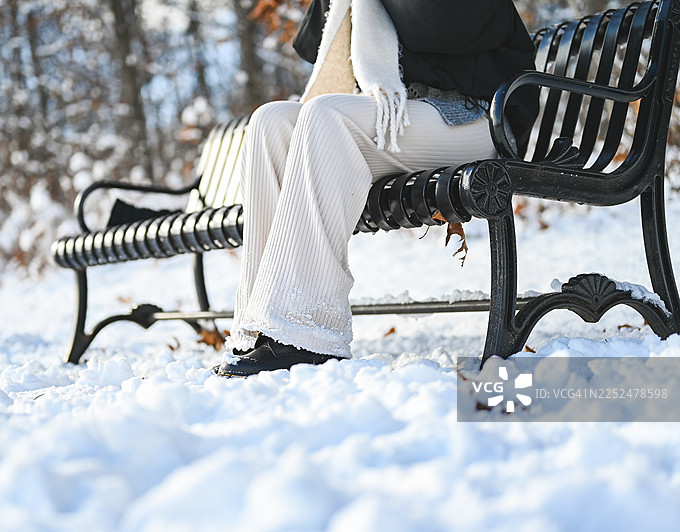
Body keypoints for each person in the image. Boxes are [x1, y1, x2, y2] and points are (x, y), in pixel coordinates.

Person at [216, 0, 538, 377]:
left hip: (476, 118)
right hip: (406, 111)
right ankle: (263, 323)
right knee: (270, 121)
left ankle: (307, 330)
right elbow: (310, 42)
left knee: (327, 115)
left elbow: (438, 26)